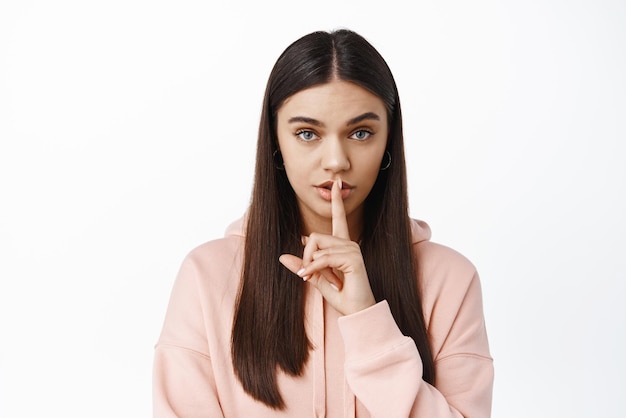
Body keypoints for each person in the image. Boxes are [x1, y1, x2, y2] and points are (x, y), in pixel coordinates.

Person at [153, 29, 494, 417]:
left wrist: (367, 318)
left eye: (361, 132)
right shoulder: (206, 276)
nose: (336, 160)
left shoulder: (450, 279)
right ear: (275, 142)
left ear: (388, 142)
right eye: (307, 133)